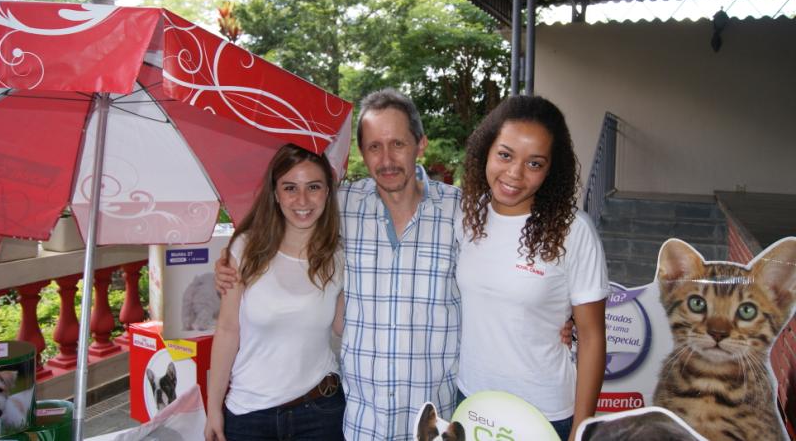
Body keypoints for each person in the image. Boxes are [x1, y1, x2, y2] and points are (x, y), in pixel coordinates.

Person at [214, 89, 573, 440]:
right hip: (362, 423)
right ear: (363, 153)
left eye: (398, 144)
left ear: (420, 145)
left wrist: (558, 315)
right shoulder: (341, 205)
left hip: (431, 421)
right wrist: (233, 260)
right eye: (374, 147)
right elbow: (289, 220)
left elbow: (511, 268)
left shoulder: (463, 212)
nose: (386, 159)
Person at [455, 95, 608, 441]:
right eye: (505, 155)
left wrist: (581, 430)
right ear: (486, 151)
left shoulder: (573, 231)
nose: (515, 173)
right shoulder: (466, 216)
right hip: (472, 403)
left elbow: (592, 338)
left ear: (551, 169)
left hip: (545, 413)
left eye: (534, 163)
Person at [204, 144, 345, 441]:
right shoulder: (246, 249)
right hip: (249, 415)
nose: (302, 200)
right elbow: (227, 331)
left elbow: (343, 325)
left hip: (320, 411)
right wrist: (213, 408)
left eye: (314, 187)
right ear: (275, 193)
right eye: (290, 187)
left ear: (328, 192)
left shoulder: (339, 257)